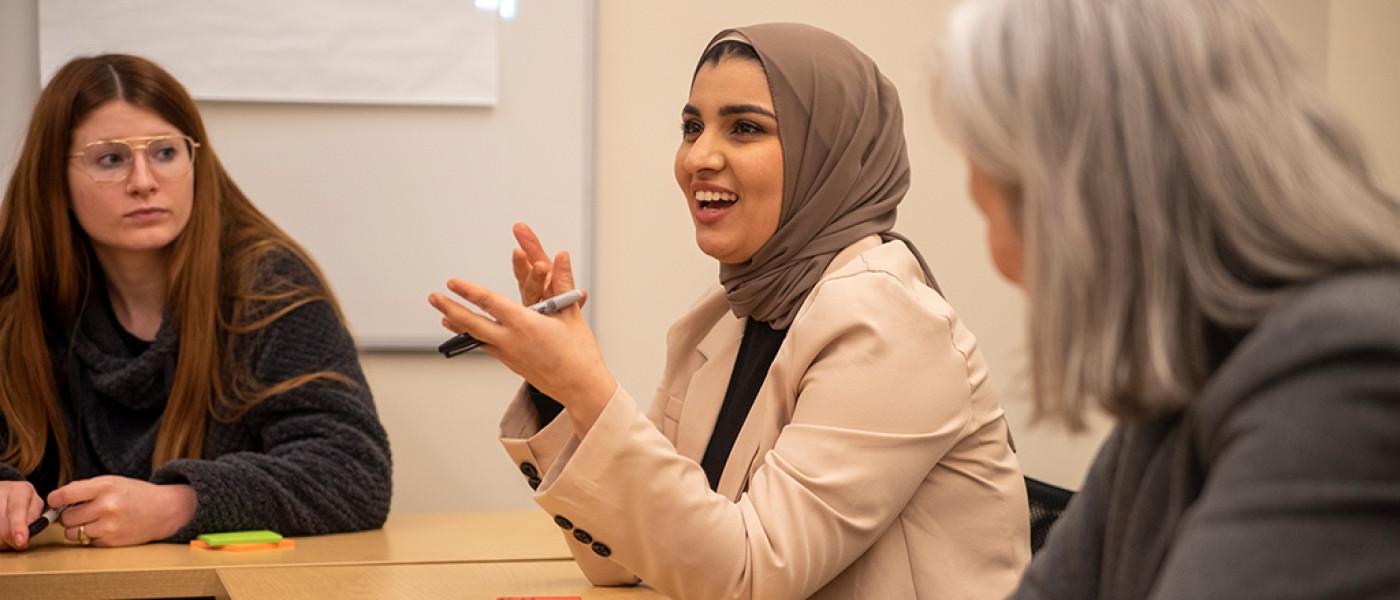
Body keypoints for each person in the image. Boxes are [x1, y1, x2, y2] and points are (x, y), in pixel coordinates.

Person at [430, 23, 1029, 599]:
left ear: (829, 154)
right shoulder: (721, 320)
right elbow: (625, 561)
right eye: (692, 127)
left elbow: (748, 578)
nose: (698, 158)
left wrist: (587, 389)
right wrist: (555, 388)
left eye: (744, 128)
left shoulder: (890, 324)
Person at [936, 0, 1400, 597]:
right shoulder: (1188, 377)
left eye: (1001, 212)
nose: (1002, 259)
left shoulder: (1342, 368)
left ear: (1089, 203)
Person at [0, 54, 392, 550]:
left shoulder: (267, 283)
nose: (143, 181)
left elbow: (354, 473)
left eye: (164, 152)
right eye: (111, 159)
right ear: (55, 182)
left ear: (194, 162)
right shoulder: (14, 288)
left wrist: (177, 505)